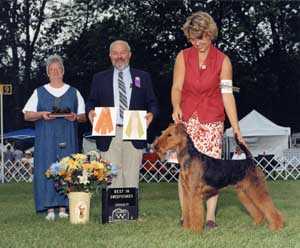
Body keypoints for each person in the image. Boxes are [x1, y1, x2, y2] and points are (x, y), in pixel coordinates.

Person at [171, 11, 246, 229]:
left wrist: (236, 127)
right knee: (185, 169)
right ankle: (186, 215)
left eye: (201, 38)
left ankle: (210, 217)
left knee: (212, 171)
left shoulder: (223, 61)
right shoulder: (183, 57)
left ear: (210, 34)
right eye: (193, 39)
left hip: (212, 120)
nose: (197, 43)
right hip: (187, 120)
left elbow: (227, 94)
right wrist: (176, 106)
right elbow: (176, 87)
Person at [86, 40, 159, 189]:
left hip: (134, 129)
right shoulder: (99, 78)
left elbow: (153, 102)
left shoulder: (142, 77)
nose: (119, 56)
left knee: (131, 174)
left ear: (130, 55)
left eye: (123, 52)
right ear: (110, 56)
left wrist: (151, 114)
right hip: (108, 130)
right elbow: (91, 102)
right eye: (115, 53)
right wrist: (90, 112)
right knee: (112, 175)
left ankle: (130, 211)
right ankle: (114, 211)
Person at [23, 54, 86, 220]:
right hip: (46, 138)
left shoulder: (74, 92)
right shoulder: (39, 92)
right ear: (48, 73)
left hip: (68, 135)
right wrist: (41, 114)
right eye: (52, 70)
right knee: (47, 168)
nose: (55, 72)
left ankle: (65, 207)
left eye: (58, 69)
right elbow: (27, 115)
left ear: (63, 71)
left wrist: (75, 117)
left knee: (68, 169)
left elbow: (83, 116)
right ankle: (49, 208)